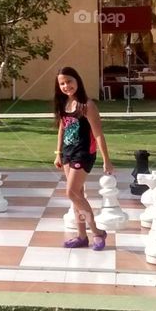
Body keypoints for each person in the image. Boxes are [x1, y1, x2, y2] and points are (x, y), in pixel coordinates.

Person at [53, 67, 115, 250]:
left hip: (84, 153)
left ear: (77, 81)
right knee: (77, 196)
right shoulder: (64, 103)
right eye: (62, 83)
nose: (66, 86)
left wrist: (106, 160)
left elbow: (98, 134)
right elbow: (62, 129)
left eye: (69, 81)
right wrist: (58, 153)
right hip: (68, 153)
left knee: (71, 192)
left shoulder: (87, 105)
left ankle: (97, 232)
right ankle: (81, 236)